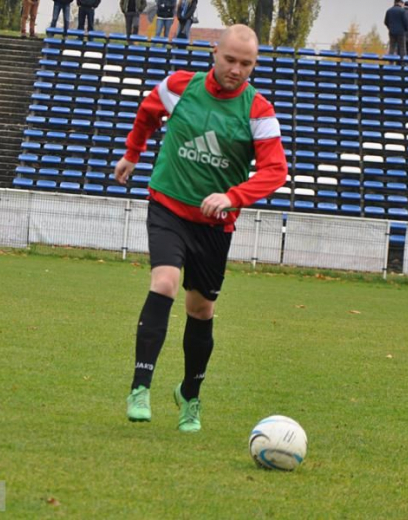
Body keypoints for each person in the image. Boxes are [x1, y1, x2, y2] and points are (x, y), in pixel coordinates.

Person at [116, 25, 287, 432]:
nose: (237, 69)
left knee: (200, 309)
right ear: (215, 52)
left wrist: (233, 196)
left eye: (246, 64)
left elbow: (276, 171)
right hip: (168, 206)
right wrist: (132, 154)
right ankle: (140, 387)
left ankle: (189, 395)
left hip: (214, 225)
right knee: (164, 284)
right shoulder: (178, 86)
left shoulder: (258, 110)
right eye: (230, 60)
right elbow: (146, 113)